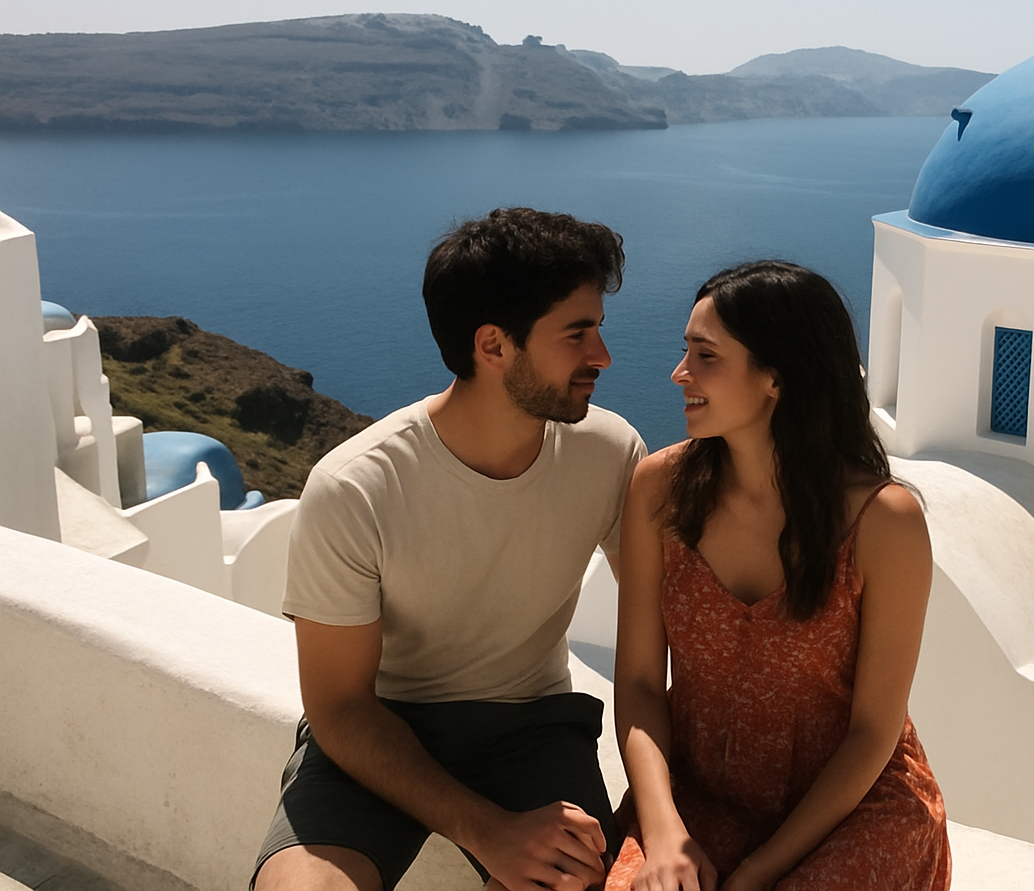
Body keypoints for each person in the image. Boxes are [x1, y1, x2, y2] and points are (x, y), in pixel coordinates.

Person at [252, 207, 645, 891]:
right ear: (493, 346)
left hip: (533, 727)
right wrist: (487, 830)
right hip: (378, 729)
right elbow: (340, 706)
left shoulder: (610, 453)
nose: (602, 357)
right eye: (577, 334)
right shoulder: (355, 488)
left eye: (599, 331)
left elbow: (670, 612)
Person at [606, 261, 950, 891]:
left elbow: (873, 732)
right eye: (686, 352)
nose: (679, 373)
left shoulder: (883, 522)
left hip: (848, 812)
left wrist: (758, 874)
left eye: (705, 356)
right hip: (698, 803)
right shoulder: (660, 490)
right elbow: (637, 683)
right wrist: (663, 835)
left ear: (777, 377)